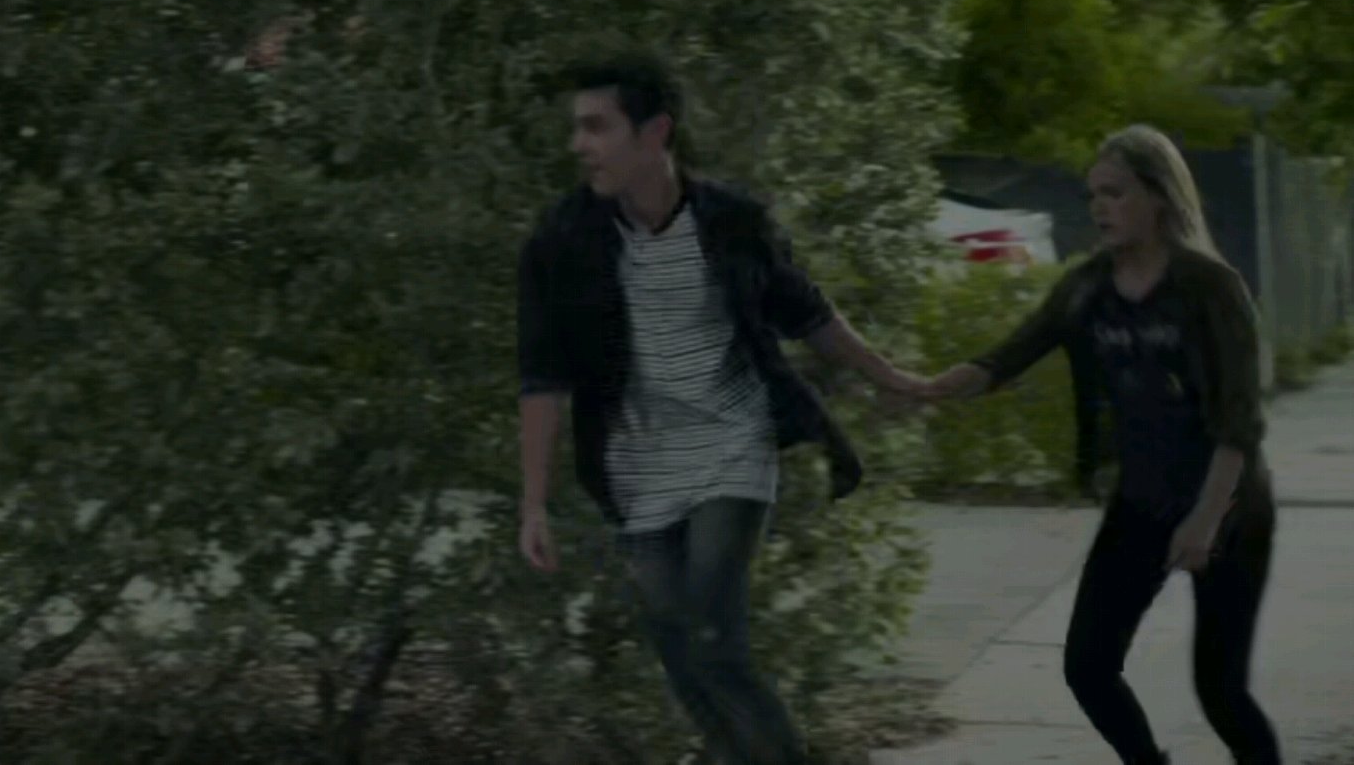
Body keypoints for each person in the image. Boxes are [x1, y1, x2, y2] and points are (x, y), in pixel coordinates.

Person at [515, 52, 926, 764]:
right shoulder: (562, 240)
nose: (579, 145)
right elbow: (542, 378)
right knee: (679, 654)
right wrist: (534, 503)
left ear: (655, 132)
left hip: (731, 446)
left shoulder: (733, 221)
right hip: (637, 468)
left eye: (596, 127)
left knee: (713, 637)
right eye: (576, 128)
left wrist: (891, 377)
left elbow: (807, 313)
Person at [921, 124, 1281, 764]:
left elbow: (1240, 422)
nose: (1099, 207)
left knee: (1220, 690)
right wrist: (921, 389)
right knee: (1088, 667)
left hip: (1228, 505)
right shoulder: (1088, 287)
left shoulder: (1209, 287)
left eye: (1115, 193)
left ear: (1159, 197)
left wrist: (1205, 521)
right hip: (1141, 501)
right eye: (1093, 195)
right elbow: (1007, 357)